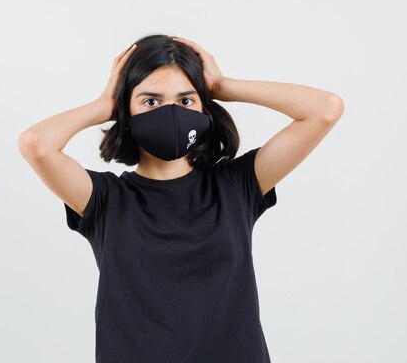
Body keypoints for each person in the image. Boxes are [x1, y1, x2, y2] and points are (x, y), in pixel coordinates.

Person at [17, 34, 344, 363]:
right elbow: (36, 144)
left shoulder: (238, 185)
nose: (171, 113)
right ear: (125, 112)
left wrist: (224, 86)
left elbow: (325, 109)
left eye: (186, 100)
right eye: (151, 101)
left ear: (204, 107)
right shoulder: (104, 199)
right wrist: (104, 105)